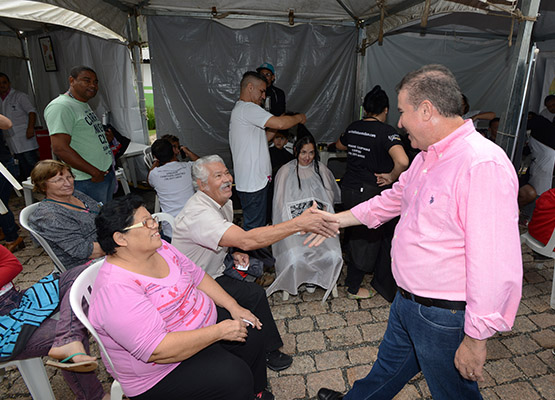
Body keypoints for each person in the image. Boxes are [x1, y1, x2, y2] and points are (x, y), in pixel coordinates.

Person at [317, 65, 522, 400]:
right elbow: (393, 199)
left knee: (455, 394)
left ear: (426, 110)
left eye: (402, 111)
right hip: (408, 302)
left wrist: (476, 338)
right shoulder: (427, 157)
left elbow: (494, 261)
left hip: (442, 315)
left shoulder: (481, 164)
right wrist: (337, 220)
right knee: (384, 375)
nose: (398, 122)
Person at [90, 194, 274, 400]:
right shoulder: (116, 290)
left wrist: (233, 306)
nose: (155, 226)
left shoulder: (160, 248)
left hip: (199, 329)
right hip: (161, 369)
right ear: (120, 238)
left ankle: (255, 394)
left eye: (153, 219)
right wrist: (218, 332)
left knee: (253, 334)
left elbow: (198, 276)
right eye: (146, 223)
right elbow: (157, 350)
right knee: (233, 376)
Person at [172, 155, 340, 370]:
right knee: (247, 305)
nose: (227, 179)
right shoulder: (199, 213)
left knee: (256, 293)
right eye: (218, 176)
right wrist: (299, 223)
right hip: (195, 287)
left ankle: (269, 349)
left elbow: (215, 239)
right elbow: (247, 240)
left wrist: (230, 253)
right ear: (201, 185)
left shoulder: (222, 202)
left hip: (213, 273)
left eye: (226, 173)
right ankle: (249, 358)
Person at [0, 245, 107, 400]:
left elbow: (11, 264)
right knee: (58, 334)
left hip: (17, 300)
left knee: (81, 276)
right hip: (4, 327)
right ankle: (94, 397)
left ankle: (68, 337)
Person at [335, 85, 409, 301]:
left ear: (365, 108)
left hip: (348, 188)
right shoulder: (386, 132)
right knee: (366, 240)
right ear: (385, 110)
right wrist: (391, 176)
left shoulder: (354, 126)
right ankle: (353, 286)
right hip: (368, 191)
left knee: (353, 232)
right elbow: (403, 160)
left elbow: (340, 145)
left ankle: (355, 270)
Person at [266, 135, 342, 301]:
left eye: (311, 153)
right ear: (295, 151)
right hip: (293, 227)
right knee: (295, 255)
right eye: (303, 153)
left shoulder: (320, 169)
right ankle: (304, 278)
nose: (307, 157)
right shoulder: (286, 171)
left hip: (320, 225)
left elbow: (329, 200)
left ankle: (315, 279)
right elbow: (279, 205)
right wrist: (295, 226)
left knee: (333, 254)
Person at [229, 71, 306, 231]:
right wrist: (298, 118)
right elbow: (279, 124)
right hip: (253, 183)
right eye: (262, 91)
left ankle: (250, 254)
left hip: (254, 181)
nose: (264, 96)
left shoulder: (242, 111)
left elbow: (265, 137)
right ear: (250, 87)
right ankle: (250, 255)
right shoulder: (248, 108)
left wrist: (282, 120)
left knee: (256, 224)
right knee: (255, 229)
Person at [44, 66, 114, 205]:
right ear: (71, 80)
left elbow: (81, 135)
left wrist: (104, 140)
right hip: (86, 179)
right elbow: (60, 148)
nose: (92, 85)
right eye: (86, 80)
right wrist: (94, 172)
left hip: (102, 174)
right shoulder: (61, 106)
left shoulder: (81, 104)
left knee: (105, 218)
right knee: (92, 222)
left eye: (95, 82)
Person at [28, 160, 104, 269]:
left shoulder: (76, 195)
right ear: (43, 186)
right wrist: (121, 245)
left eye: (69, 177)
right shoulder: (49, 216)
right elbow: (83, 250)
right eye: (58, 180)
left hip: (107, 244)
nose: (68, 183)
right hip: (86, 264)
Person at [147, 138, 199, 238]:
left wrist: (156, 161)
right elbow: (204, 164)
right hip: (194, 228)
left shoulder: (154, 174)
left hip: (171, 232)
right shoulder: (188, 167)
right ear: (174, 151)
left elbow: (149, 180)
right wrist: (188, 152)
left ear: (155, 157)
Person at [0, 73, 38, 181]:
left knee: (31, 162)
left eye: (4, 82)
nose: (2, 85)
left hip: (24, 135)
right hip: (11, 138)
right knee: (21, 165)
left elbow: (32, 112)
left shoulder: (19, 96)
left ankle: (41, 187)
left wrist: (30, 128)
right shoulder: (0, 100)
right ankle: (29, 190)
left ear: (9, 83)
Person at [0, 114, 25, 252]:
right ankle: (7, 228)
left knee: (1, 205)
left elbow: (7, 124)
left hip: (2, 165)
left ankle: (13, 237)